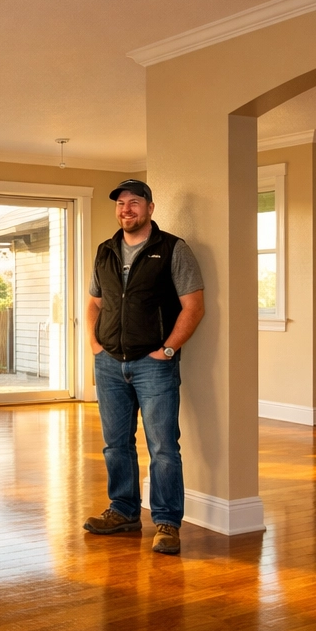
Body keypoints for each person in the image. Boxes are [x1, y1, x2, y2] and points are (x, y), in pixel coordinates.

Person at [84, 179, 205, 554]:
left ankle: (167, 522)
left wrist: (167, 351)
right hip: (109, 365)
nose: (126, 210)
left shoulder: (172, 250)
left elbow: (194, 306)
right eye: (121, 204)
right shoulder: (105, 251)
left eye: (134, 202)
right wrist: (94, 344)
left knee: (163, 447)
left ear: (150, 208)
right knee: (115, 445)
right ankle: (123, 512)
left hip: (154, 365)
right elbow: (94, 303)